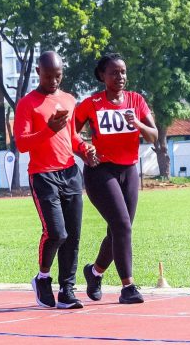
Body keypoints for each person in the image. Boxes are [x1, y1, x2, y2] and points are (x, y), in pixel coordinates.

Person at [14, 51, 96, 309]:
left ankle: (67, 290)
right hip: (43, 175)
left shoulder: (69, 100)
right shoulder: (28, 104)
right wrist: (48, 129)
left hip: (70, 172)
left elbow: (72, 138)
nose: (53, 80)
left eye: (58, 75)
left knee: (73, 235)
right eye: (48, 75)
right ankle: (43, 278)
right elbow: (22, 144)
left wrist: (85, 149)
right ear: (38, 72)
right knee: (56, 232)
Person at [75, 53, 158, 304]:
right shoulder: (91, 103)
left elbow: (154, 135)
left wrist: (138, 124)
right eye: (113, 72)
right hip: (101, 171)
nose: (119, 77)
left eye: (123, 72)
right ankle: (128, 287)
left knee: (119, 230)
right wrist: (85, 151)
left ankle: (95, 272)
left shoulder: (136, 100)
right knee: (122, 226)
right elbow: (71, 133)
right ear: (102, 75)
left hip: (129, 170)